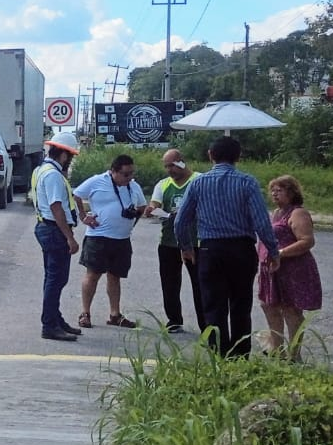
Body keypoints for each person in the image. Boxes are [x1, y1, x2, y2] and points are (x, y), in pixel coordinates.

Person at [174, 136, 279, 359]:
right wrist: (272, 249)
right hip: (242, 249)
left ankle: (219, 355)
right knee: (241, 304)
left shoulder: (198, 183)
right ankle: (240, 356)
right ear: (238, 157)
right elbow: (261, 221)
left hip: (210, 250)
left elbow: (180, 221)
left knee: (213, 305)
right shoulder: (247, 182)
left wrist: (186, 247)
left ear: (210, 155)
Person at [73, 154, 146, 330]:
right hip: (99, 237)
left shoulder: (133, 186)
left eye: (131, 174)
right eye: (125, 174)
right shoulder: (97, 181)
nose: (129, 178)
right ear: (113, 171)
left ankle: (115, 314)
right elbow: (76, 194)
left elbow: (142, 207)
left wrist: (131, 223)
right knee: (93, 275)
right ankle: (85, 313)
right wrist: (83, 216)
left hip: (122, 239)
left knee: (115, 276)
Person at [257, 175, 321, 360]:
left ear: (292, 192)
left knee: (291, 310)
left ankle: (294, 355)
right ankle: (278, 351)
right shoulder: (276, 213)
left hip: (292, 268)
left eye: (280, 190)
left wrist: (281, 253)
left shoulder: (298, 213)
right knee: (268, 305)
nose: (275, 194)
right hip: (271, 270)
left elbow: (307, 241)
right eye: (272, 190)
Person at [144, 149, 203, 333]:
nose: (170, 170)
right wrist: (152, 209)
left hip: (196, 241)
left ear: (182, 162)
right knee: (169, 282)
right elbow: (156, 204)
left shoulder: (199, 180)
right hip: (169, 240)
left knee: (199, 284)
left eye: (173, 165)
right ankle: (174, 319)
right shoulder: (163, 185)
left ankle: (206, 322)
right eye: (167, 166)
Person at [31, 131, 82, 342]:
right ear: (63, 155)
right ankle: (50, 324)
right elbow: (56, 207)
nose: (70, 161)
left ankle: (55, 319)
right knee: (57, 279)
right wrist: (70, 237)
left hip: (46, 228)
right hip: (54, 230)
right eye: (70, 157)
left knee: (53, 278)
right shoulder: (53, 175)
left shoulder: (41, 170)